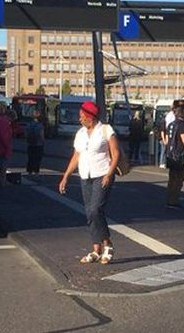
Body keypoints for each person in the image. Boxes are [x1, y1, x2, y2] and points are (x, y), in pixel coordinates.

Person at [59, 101, 120, 264]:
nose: (79, 119)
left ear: (90, 117)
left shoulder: (106, 130)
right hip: (85, 175)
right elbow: (76, 156)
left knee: (95, 210)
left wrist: (109, 173)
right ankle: (96, 249)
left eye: (81, 117)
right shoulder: (80, 133)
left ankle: (107, 244)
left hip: (102, 174)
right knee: (89, 213)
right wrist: (66, 176)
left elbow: (116, 153)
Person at [163, 108, 184, 209]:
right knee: (179, 179)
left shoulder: (171, 124)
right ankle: (175, 199)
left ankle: (169, 198)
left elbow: (166, 140)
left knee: (171, 178)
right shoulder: (182, 125)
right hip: (179, 155)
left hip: (170, 154)